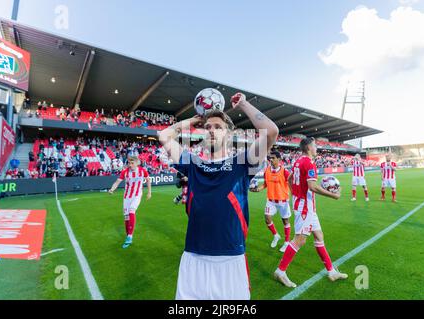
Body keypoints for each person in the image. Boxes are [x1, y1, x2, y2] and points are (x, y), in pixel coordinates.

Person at [159, 92, 278, 300]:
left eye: (218, 127)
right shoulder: (193, 164)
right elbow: (164, 136)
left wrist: (244, 105)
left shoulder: (243, 163)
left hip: (231, 259)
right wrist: (193, 120)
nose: (212, 131)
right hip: (194, 258)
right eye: (208, 128)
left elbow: (271, 132)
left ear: (230, 134)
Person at [274, 137, 348, 288]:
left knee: (319, 236)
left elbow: (289, 179)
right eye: (315, 146)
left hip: (305, 206)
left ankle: (331, 272)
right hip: (305, 208)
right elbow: (313, 186)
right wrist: (334, 195)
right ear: (308, 148)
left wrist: (295, 194)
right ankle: (280, 271)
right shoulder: (308, 162)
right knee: (300, 240)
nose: (316, 148)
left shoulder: (298, 161)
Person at [251, 150, 292, 253]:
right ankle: (276, 236)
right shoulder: (267, 171)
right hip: (271, 200)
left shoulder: (285, 172)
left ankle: (287, 242)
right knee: (267, 218)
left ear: (279, 159)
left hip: (283, 200)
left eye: (273, 158)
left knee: (285, 221)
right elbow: (265, 184)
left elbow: (292, 184)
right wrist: (257, 189)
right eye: (270, 158)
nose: (271, 160)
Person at [108, 155, 152, 249]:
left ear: (137, 163)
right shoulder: (125, 172)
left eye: (132, 163)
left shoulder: (142, 170)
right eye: (129, 163)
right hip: (127, 196)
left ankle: (130, 236)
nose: (130, 165)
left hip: (137, 195)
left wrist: (149, 192)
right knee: (126, 217)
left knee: (132, 211)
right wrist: (112, 189)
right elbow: (117, 182)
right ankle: (128, 235)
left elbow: (148, 180)